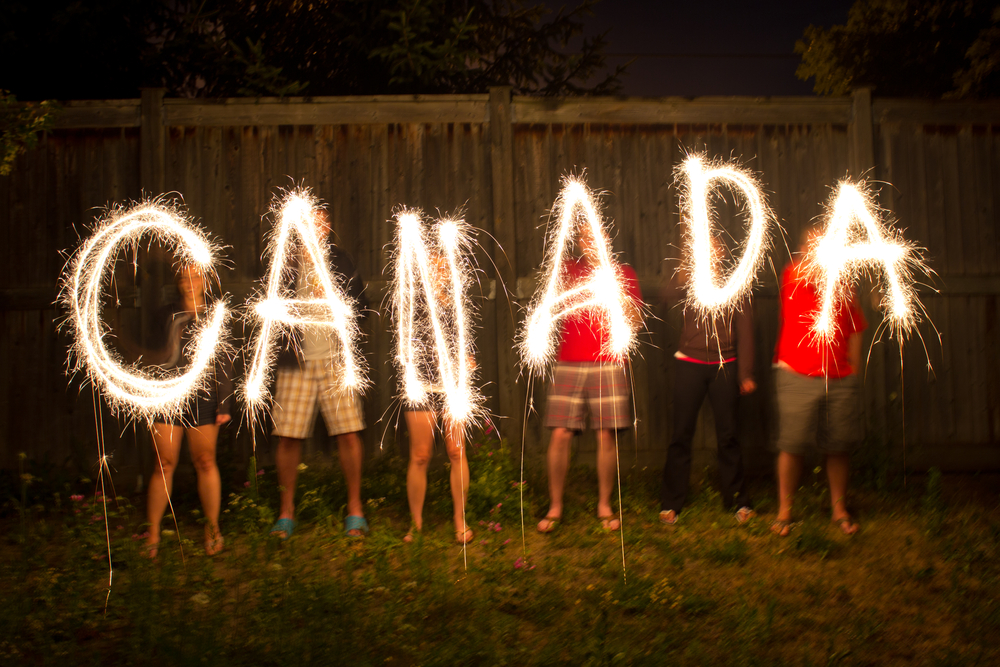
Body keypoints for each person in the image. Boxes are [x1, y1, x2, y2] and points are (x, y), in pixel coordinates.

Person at [269, 211, 369, 539]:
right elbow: (268, 310)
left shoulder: (340, 260)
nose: (315, 227)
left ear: (327, 227)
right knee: (287, 436)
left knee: (349, 433)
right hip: (295, 361)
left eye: (321, 221)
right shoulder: (284, 262)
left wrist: (340, 308)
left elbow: (363, 307)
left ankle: (355, 509)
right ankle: (286, 512)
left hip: (334, 361)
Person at [537, 227, 643, 533]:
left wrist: (617, 292)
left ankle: (604, 505)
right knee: (560, 434)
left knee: (605, 434)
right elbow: (551, 302)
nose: (589, 242)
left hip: (608, 362)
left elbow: (635, 322)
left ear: (606, 237)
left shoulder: (623, 273)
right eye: (583, 238)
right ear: (579, 243)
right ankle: (555, 506)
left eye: (594, 236)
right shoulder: (568, 269)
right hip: (569, 360)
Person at [771, 224, 867, 537]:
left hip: (839, 377)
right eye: (814, 245)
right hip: (797, 373)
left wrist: (854, 369)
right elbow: (809, 276)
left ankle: (839, 509)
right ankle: (785, 511)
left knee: (838, 447)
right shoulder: (793, 273)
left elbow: (855, 326)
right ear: (804, 249)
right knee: (792, 445)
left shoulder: (844, 283)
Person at [659, 253, 757, 526]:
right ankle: (671, 502)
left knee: (728, 435)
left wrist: (746, 373)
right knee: (680, 434)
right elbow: (666, 296)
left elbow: (745, 327)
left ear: (723, 255)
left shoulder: (736, 282)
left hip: (725, 365)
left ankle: (739, 500)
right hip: (689, 364)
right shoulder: (688, 279)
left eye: (715, 250)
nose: (710, 255)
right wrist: (681, 272)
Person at [146, 265, 232, 558]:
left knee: (205, 461)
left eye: (195, 277)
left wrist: (225, 402)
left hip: (204, 398)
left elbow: (225, 360)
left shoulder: (215, 315)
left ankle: (212, 529)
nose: (189, 283)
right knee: (164, 463)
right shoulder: (165, 315)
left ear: (205, 281)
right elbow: (152, 358)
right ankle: (153, 534)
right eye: (183, 277)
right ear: (177, 282)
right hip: (168, 397)